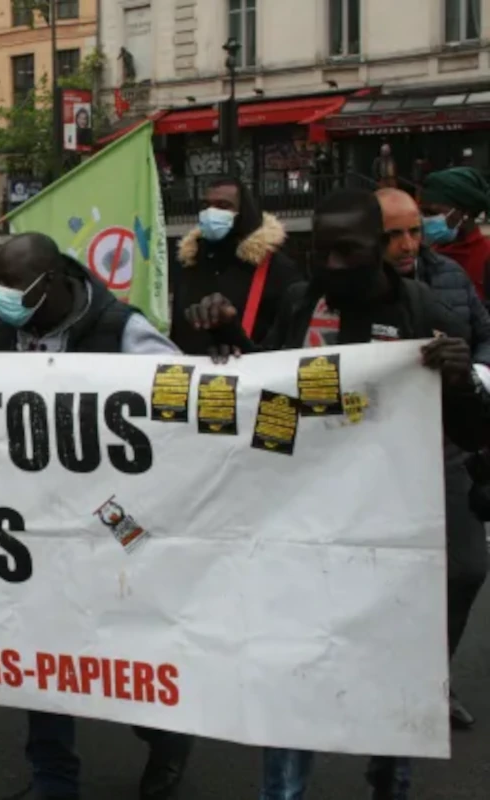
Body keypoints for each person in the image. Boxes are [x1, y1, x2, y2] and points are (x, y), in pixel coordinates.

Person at [185, 189, 486, 800]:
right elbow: (271, 390)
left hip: (395, 526)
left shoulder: (425, 313)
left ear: (378, 248)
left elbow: (474, 433)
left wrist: (460, 384)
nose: (333, 266)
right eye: (322, 252)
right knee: (290, 660)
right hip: (306, 519)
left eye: (348, 251)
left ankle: (388, 773)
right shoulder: (301, 302)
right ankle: (283, 790)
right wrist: (227, 340)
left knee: (392, 663)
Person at [0, 233, 194, 800]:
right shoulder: (3, 335)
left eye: (15, 287)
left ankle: (165, 734)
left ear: (53, 280)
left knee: (123, 639)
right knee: (41, 643)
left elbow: (179, 404)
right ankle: (53, 779)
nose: (5, 299)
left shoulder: (120, 330)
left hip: (115, 515)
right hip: (35, 516)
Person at [378, 187, 489, 731]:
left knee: (467, 568)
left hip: (446, 444)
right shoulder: (337, 293)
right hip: (375, 457)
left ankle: (432, 679)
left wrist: (474, 372)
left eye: (414, 231)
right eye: (393, 235)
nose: (407, 245)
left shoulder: (450, 277)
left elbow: (484, 335)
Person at [170, 177, 302, 356]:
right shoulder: (190, 263)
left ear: (243, 213)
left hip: (251, 368)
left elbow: (286, 338)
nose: (211, 212)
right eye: (206, 206)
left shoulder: (276, 268)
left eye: (223, 206)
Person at [420, 166, 490, 302]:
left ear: (465, 213)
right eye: (424, 212)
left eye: (433, 213)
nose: (426, 220)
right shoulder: (425, 255)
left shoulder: (485, 256)